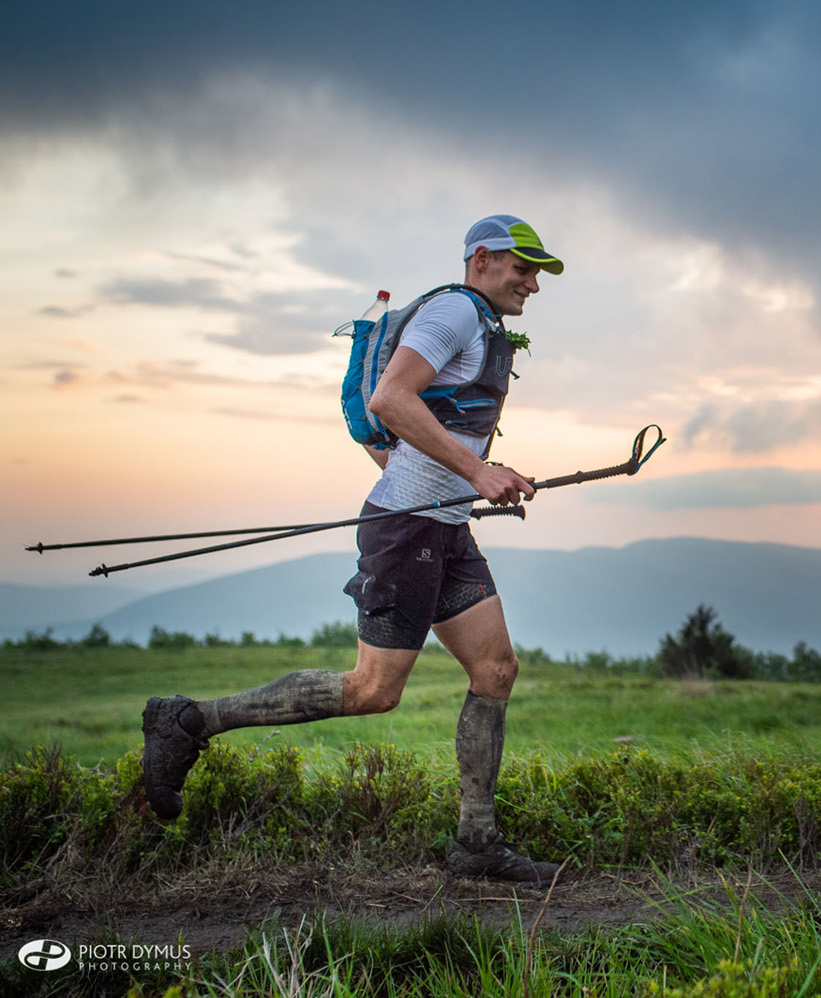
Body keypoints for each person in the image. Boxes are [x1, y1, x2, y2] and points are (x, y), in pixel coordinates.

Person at [141, 215, 564, 883]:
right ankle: (189, 720)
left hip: (442, 527)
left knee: (496, 670)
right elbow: (390, 398)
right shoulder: (454, 313)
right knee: (374, 690)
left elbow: (402, 428)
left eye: (539, 271)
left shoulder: (476, 323)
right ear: (480, 258)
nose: (533, 282)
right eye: (523, 267)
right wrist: (477, 472)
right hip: (408, 531)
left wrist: (468, 476)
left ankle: (476, 844)